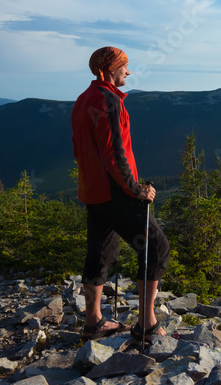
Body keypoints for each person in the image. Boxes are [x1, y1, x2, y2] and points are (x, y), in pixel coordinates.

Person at [71, 46, 170, 343]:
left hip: (93, 191)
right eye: (124, 66)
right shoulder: (107, 100)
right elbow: (114, 153)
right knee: (156, 247)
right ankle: (146, 324)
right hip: (115, 191)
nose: (128, 71)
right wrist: (135, 189)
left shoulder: (82, 100)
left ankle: (94, 322)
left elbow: (80, 150)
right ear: (111, 69)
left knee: (101, 253)